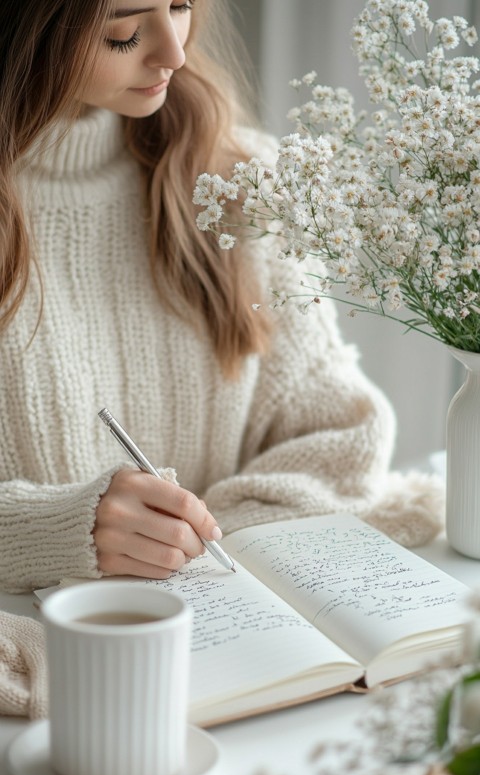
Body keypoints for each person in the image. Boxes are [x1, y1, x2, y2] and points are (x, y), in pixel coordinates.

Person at [0, 0, 443, 594]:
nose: (175, 53)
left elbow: (342, 438)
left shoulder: (238, 181)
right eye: (125, 33)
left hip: (225, 625)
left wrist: (200, 539)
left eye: (180, 5)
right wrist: (49, 531)